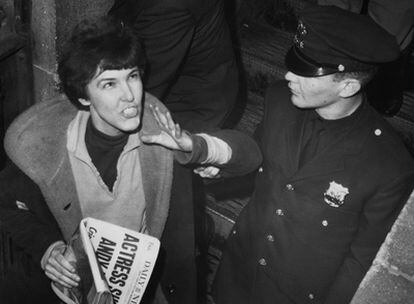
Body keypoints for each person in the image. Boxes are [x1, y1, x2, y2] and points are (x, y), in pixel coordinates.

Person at [0, 16, 260, 304]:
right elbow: (7, 203)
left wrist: (193, 145)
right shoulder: (47, 145)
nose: (129, 96)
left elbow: (249, 156)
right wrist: (48, 249)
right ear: (84, 96)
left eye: (132, 76)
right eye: (109, 84)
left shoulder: (159, 135)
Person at [184, 5, 412, 304]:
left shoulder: (389, 165)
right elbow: (256, 160)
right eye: (294, 63)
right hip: (240, 271)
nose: (289, 75)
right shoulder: (280, 99)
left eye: (305, 72)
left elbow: (362, 260)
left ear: (348, 86)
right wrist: (216, 161)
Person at [108, 1, 240, 302]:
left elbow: (138, 91)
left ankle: (184, 249)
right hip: (191, 77)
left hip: (190, 103)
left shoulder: (167, 7)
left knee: (162, 194)